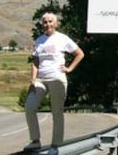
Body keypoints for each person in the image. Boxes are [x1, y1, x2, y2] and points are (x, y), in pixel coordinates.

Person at [24, 12, 85, 155]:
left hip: (57, 79)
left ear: (56, 24)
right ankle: (35, 141)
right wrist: (33, 80)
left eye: (51, 21)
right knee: (29, 106)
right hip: (41, 80)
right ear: (42, 24)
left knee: (56, 112)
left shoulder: (62, 38)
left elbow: (80, 53)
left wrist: (69, 68)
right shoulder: (39, 40)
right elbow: (35, 62)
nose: (48, 24)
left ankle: (55, 145)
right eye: (45, 22)